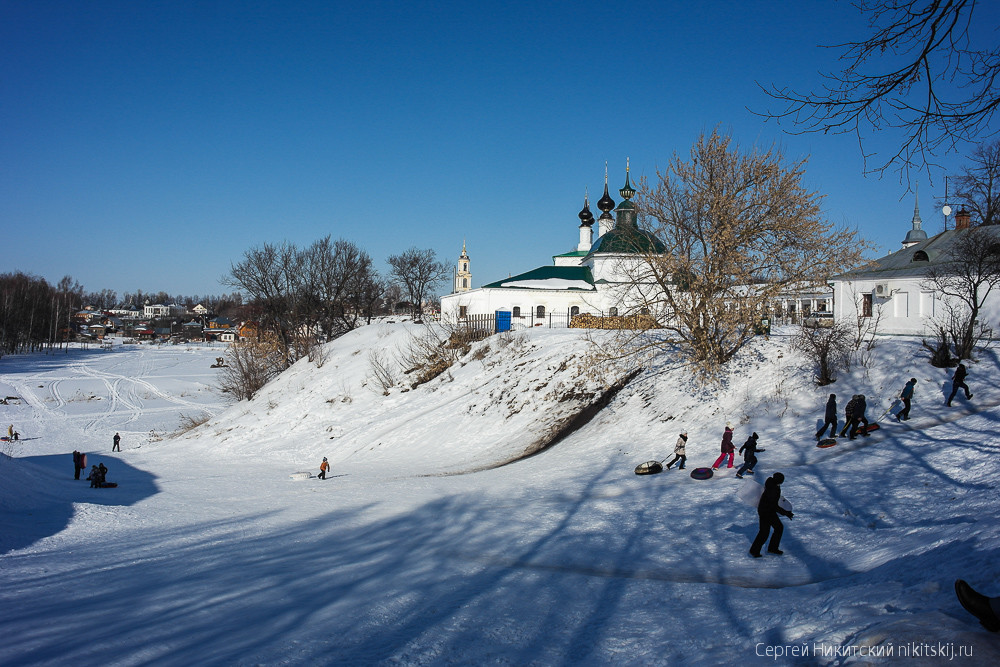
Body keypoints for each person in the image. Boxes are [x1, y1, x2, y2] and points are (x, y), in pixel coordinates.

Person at [749, 472, 793, 557]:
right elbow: (774, 506)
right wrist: (786, 513)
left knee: (773, 529)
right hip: (767, 511)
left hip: (765, 510)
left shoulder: (771, 483)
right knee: (768, 531)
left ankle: (762, 549)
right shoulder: (773, 489)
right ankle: (766, 549)